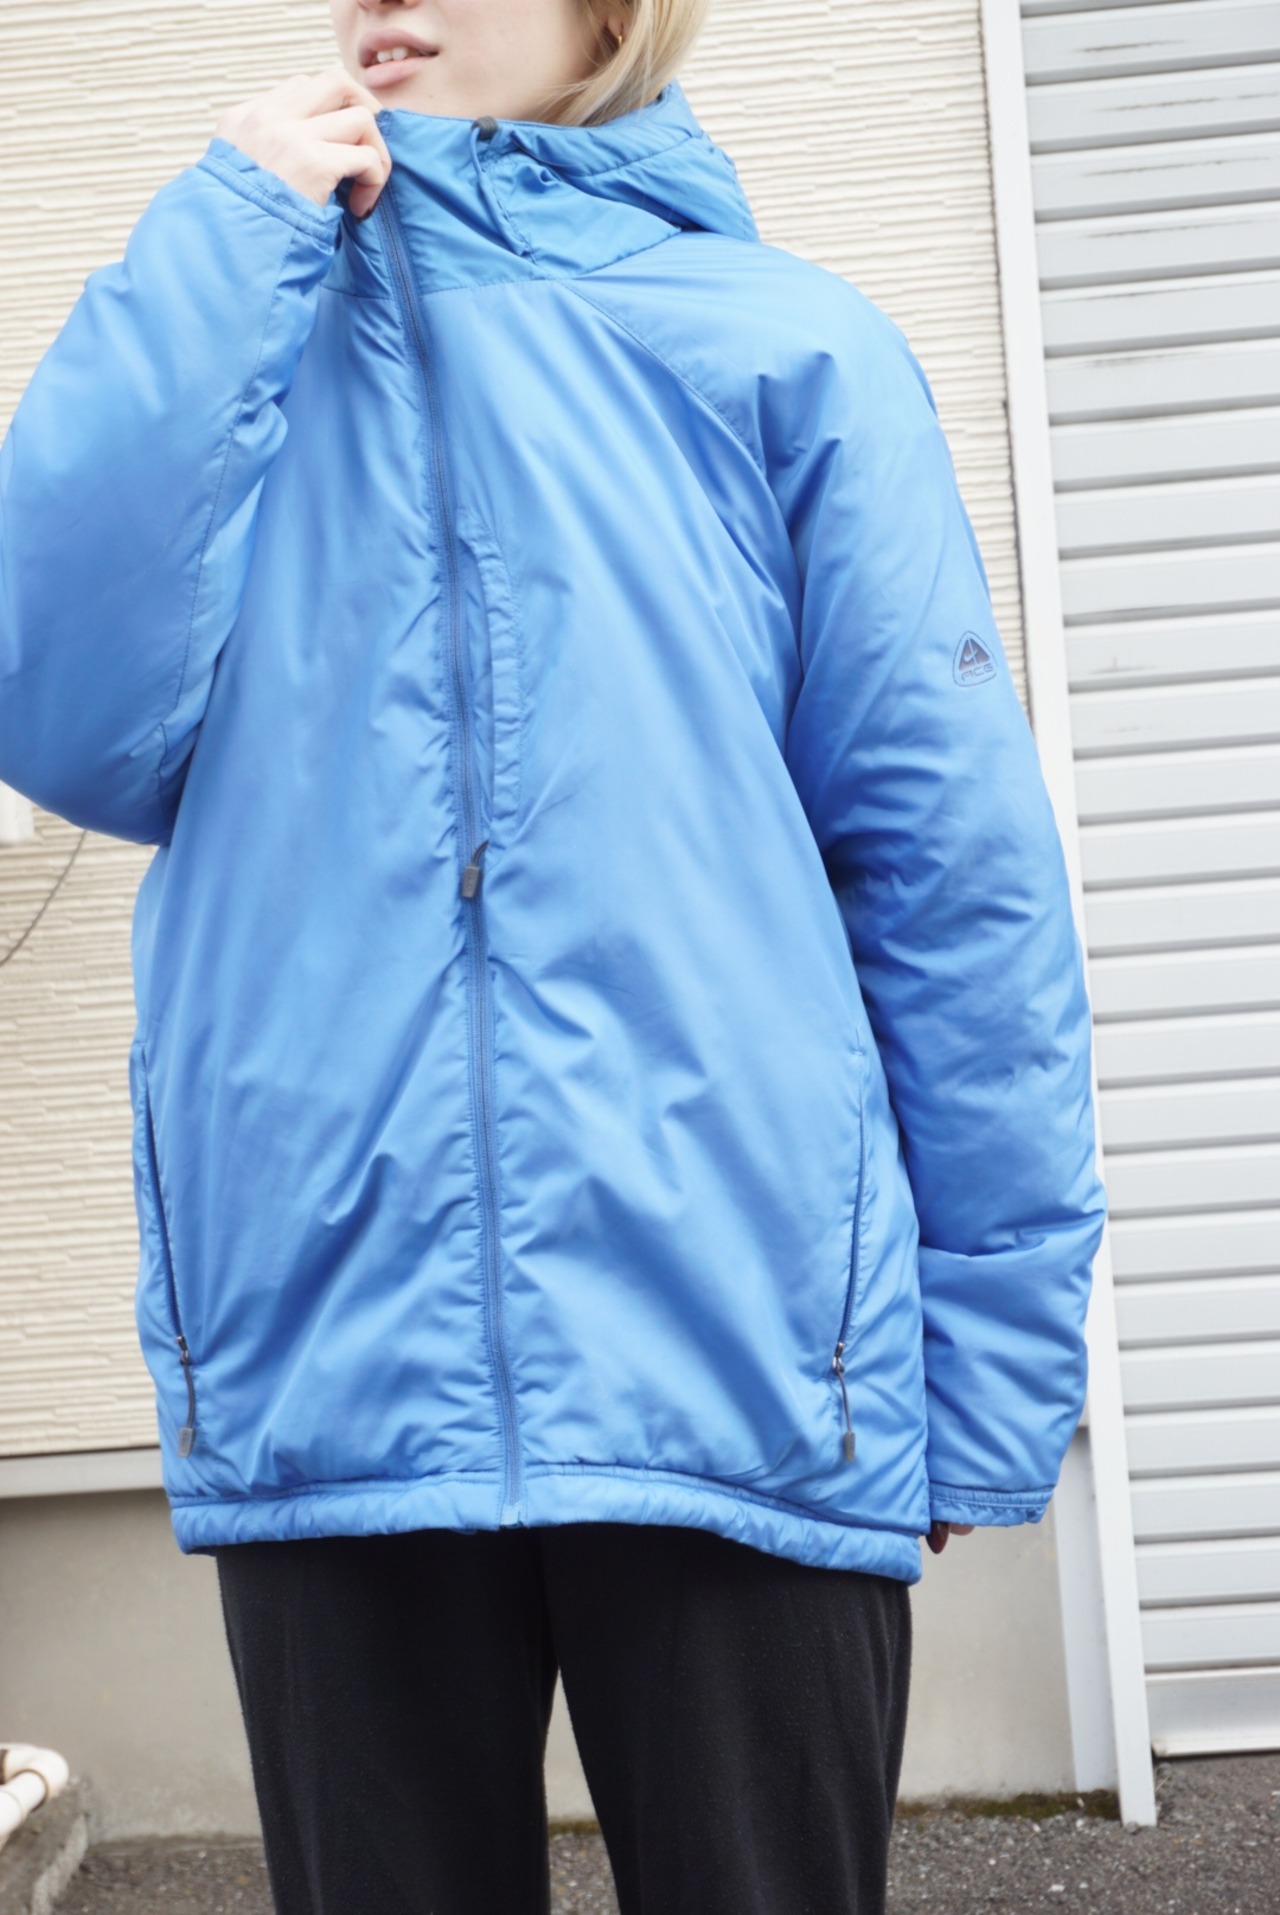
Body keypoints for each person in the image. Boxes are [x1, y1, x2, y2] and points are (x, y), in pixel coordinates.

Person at [0, 1, 1108, 1910]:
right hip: (333, 1345)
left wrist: (988, 1363)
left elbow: (952, 883)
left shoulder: (790, 347)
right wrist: (215, 251)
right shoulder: (236, 343)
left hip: (745, 1344)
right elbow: (59, 716)